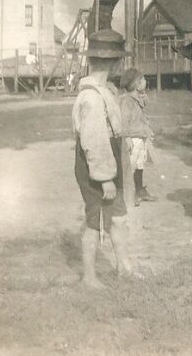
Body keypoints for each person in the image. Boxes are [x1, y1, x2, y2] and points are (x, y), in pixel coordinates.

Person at [72, 28, 137, 288]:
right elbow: (94, 141)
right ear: (114, 62)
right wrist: (105, 178)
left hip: (110, 159)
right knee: (95, 221)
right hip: (96, 164)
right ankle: (89, 277)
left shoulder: (104, 90)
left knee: (118, 217)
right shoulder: (91, 97)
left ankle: (124, 267)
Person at [119, 68, 157, 206]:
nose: (145, 81)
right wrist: (127, 138)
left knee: (140, 164)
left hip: (140, 137)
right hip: (133, 139)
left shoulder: (138, 98)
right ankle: (129, 194)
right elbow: (124, 121)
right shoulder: (127, 101)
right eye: (143, 80)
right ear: (137, 84)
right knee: (131, 166)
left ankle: (139, 191)